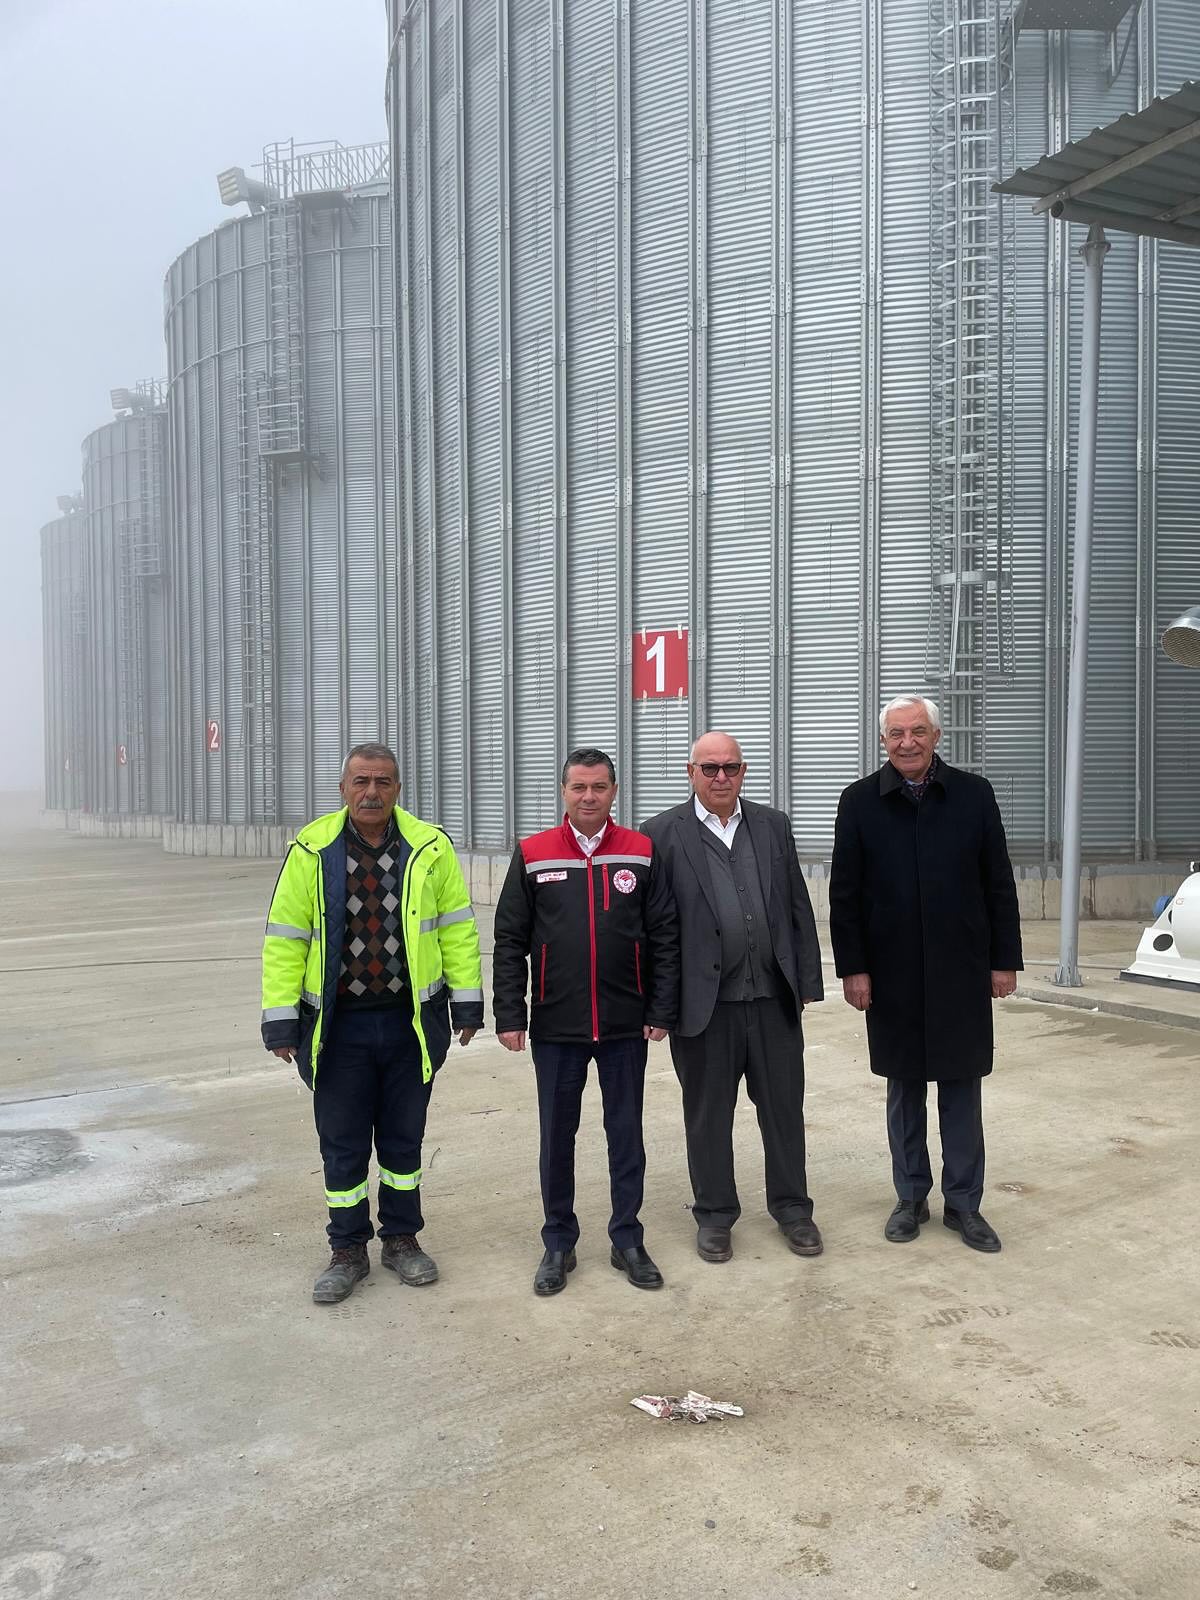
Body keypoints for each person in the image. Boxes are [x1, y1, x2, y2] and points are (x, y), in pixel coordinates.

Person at [261, 742, 483, 1303]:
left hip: (410, 1023)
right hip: (338, 1029)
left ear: (398, 789)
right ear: (343, 788)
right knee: (342, 1144)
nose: (371, 792)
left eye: (383, 781)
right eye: (361, 781)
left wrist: (467, 1003)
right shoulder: (312, 850)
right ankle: (347, 1249)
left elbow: (457, 929)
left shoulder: (429, 848)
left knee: (404, 1142)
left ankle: (402, 1240)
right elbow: (285, 940)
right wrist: (281, 1021)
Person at [829, 695, 1022, 1253]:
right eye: (896, 733)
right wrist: (854, 969)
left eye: (917, 731)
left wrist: (1003, 959)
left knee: (961, 1086)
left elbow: (998, 882)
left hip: (962, 969)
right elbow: (845, 894)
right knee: (904, 1085)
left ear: (936, 736)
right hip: (891, 974)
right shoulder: (860, 801)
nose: (907, 742)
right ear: (883, 740)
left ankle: (964, 1204)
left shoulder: (973, 795)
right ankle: (910, 1197)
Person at [492, 748, 680, 1296]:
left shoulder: (640, 851)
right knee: (557, 1137)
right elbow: (509, 940)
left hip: (625, 1024)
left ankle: (628, 1239)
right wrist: (511, 1013)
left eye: (599, 787)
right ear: (564, 792)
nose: (589, 796)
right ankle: (558, 1241)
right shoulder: (533, 853)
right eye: (579, 787)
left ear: (614, 791)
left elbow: (664, 935)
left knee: (626, 1135)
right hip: (557, 1026)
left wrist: (660, 1008)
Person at [641, 731, 824, 1265]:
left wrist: (806, 983)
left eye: (731, 767)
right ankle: (715, 1215)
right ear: (690, 772)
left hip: (772, 1000)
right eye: (710, 768)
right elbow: (653, 930)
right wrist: (658, 1005)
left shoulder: (773, 825)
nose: (721, 777)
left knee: (784, 1112)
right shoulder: (660, 834)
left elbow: (796, 905)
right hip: (704, 1007)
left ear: (743, 772)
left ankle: (793, 1210)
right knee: (708, 1116)